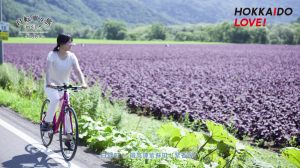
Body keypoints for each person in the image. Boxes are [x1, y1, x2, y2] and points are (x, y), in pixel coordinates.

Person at [41, 34, 88, 149]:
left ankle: (68, 138)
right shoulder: (52, 55)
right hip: (51, 85)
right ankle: (47, 122)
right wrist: (49, 82)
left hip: (64, 86)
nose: (71, 44)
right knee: (55, 99)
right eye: (69, 42)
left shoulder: (72, 56)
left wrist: (83, 82)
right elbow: (48, 70)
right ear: (61, 44)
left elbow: (77, 70)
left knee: (67, 110)